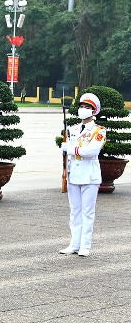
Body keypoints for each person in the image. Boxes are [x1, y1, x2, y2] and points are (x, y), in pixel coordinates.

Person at [60, 92, 106, 257]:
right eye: (81, 106)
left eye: (87, 107)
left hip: (89, 175)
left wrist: (70, 149)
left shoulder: (99, 131)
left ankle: (85, 246)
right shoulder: (73, 129)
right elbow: (69, 156)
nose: (83, 110)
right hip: (74, 175)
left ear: (94, 111)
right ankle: (74, 243)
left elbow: (91, 151)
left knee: (88, 212)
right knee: (75, 211)